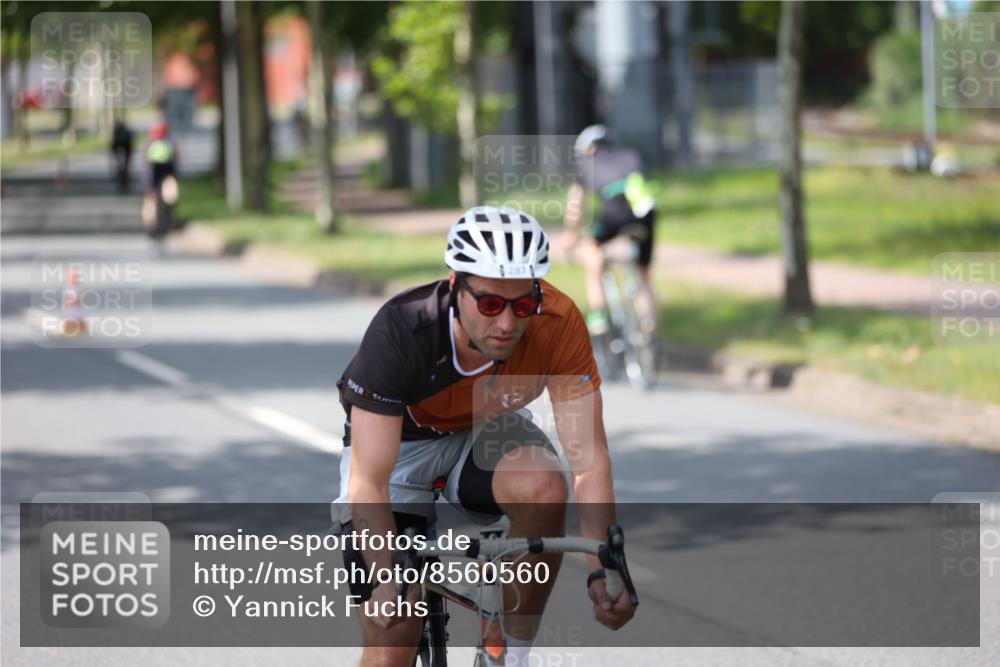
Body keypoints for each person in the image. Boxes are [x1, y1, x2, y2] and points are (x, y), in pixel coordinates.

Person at [333, 206, 635, 666]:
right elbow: (369, 483)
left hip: (483, 431)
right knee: (392, 638)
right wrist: (385, 577)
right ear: (456, 286)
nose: (508, 323)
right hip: (400, 451)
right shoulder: (403, 330)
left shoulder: (557, 323)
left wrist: (602, 569)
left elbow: (588, 461)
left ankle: (512, 655)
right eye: (491, 304)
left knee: (544, 487)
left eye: (523, 305)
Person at [561, 125, 658, 337]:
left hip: (615, 213)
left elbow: (575, 207)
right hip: (646, 214)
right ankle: (649, 332)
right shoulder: (632, 155)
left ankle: (598, 314)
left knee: (592, 252)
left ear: (589, 148)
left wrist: (571, 234)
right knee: (643, 275)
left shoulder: (586, 163)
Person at [141, 120, 179, 253]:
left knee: (154, 207)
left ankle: (155, 232)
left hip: (155, 180)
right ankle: (161, 231)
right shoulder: (169, 144)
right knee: (164, 207)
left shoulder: (150, 145)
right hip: (165, 179)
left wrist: (148, 186)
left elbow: (147, 167)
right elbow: (174, 163)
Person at [110, 120, 134, 194]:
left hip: (120, 150)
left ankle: (122, 180)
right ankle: (124, 181)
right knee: (125, 167)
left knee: (120, 166)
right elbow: (130, 144)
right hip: (126, 150)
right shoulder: (126, 132)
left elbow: (114, 143)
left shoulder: (117, 132)